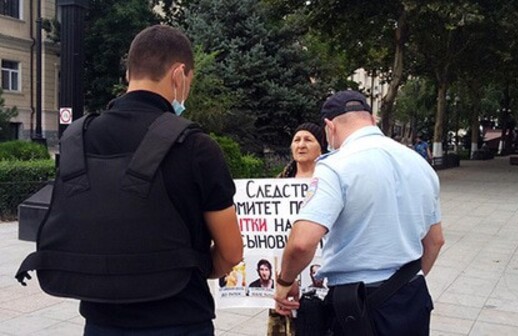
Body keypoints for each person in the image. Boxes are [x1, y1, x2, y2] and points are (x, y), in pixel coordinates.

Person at [67, 25, 243, 335]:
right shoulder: (196, 147)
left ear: (128, 75)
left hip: (101, 320)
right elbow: (231, 251)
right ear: (179, 75)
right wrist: (198, 267)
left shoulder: (78, 138)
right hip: (179, 318)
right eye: (189, 80)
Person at [274, 90, 445, 336]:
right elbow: (435, 241)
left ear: (329, 127)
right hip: (412, 297)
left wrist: (284, 283)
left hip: (357, 306)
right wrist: (401, 285)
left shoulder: (335, 166)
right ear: (372, 119)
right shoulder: (419, 164)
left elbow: (302, 243)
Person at [270, 122, 327, 336]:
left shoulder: (327, 183)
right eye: (296, 140)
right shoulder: (278, 184)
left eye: (308, 140)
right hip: (286, 273)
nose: (301, 145)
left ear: (321, 146)